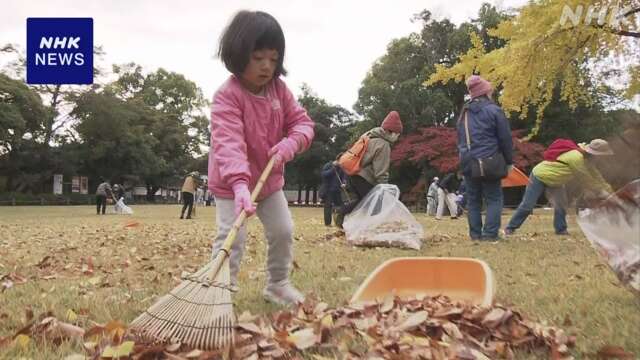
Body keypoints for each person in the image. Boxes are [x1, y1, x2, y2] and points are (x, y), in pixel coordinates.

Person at [208, 10, 314, 306]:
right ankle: (219, 293)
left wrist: (290, 144)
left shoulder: (279, 91)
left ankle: (278, 284)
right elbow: (229, 144)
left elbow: (303, 124)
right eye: (258, 58)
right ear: (239, 55)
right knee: (233, 238)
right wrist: (240, 185)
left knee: (283, 230)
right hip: (232, 185)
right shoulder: (226, 97)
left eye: (273, 58)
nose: (267, 66)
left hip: (269, 182)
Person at [505, 139, 614, 235]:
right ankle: (510, 228)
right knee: (528, 205)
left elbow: (596, 176)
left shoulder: (586, 160)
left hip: (556, 181)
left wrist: (610, 192)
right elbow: (585, 178)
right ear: (593, 153)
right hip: (540, 176)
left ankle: (561, 230)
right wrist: (602, 192)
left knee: (561, 206)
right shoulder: (576, 157)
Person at [457, 75, 513, 241]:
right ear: (485, 92)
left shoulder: (464, 113)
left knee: (473, 200)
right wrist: (509, 161)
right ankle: (490, 235)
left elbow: (459, 138)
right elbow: (505, 138)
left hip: (468, 161)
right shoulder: (494, 110)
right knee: (494, 198)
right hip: (490, 160)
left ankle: (475, 235)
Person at [335, 111, 403, 228]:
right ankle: (371, 228)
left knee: (363, 202)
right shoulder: (383, 144)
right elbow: (380, 170)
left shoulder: (368, 135)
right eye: (397, 134)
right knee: (375, 205)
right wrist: (384, 188)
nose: (397, 137)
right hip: (364, 178)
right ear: (390, 131)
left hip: (353, 175)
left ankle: (343, 212)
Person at [320, 155, 347, 226]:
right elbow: (324, 175)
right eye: (341, 161)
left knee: (341, 206)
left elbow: (344, 177)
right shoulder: (328, 165)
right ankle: (328, 223)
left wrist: (344, 183)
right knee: (328, 207)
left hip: (337, 190)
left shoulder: (342, 167)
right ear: (337, 160)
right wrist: (333, 169)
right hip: (328, 190)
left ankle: (340, 222)